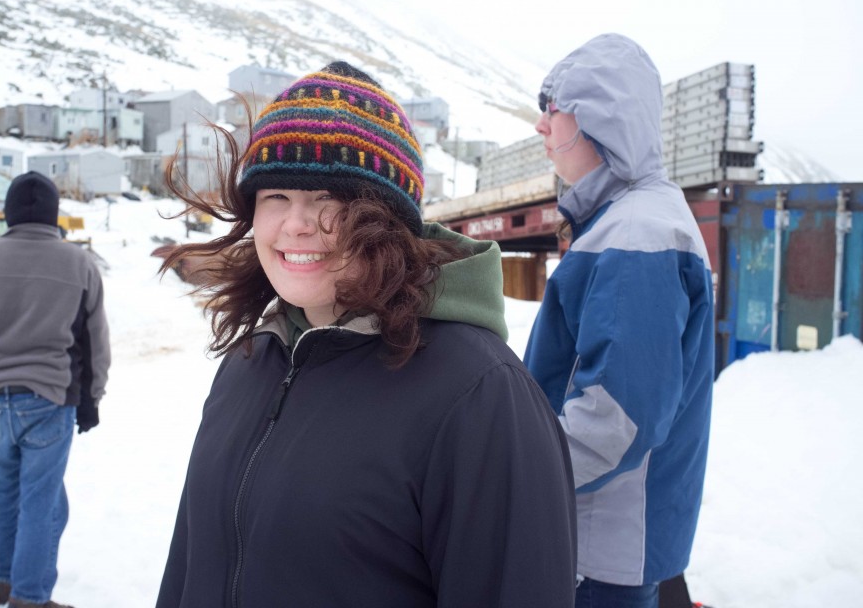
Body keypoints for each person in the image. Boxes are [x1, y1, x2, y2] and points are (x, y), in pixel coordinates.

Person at [154, 61, 577, 608]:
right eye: (275, 196)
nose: (297, 223)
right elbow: (190, 565)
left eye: (330, 198)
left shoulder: (479, 392)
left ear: (390, 224)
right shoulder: (251, 360)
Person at [522, 34, 715, 608]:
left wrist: (520, 476)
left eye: (552, 111)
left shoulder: (637, 234)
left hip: (602, 546)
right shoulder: (630, 221)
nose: (541, 128)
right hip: (606, 536)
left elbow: (619, 414)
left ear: (601, 117)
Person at [0, 172, 111, 608]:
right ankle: (29, 598)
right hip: (49, 400)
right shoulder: (78, 263)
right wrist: (92, 398)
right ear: (52, 213)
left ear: (8, 212)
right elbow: (94, 338)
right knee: (41, 505)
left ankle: (1, 584)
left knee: (1, 497)